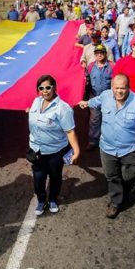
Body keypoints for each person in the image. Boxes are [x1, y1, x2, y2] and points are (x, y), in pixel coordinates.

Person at [79, 74, 135, 219]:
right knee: (112, 176)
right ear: (112, 88)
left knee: (128, 177)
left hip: (130, 149)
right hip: (107, 148)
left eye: (123, 88)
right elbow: (96, 101)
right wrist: (86, 103)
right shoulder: (106, 96)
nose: (119, 91)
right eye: (116, 88)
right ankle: (115, 202)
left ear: (128, 88)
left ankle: (123, 191)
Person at [28, 75, 81, 215]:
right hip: (36, 150)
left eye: (48, 87)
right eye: (41, 88)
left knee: (55, 177)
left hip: (55, 151)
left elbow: (70, 131)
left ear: (54, 88)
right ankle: (41, 201)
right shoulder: (36, 102)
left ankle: (52, 199)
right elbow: (34, 117)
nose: (44, 91)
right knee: (38, 178)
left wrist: (76, 150)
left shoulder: (63, 108)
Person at [85, 45, 114, 150]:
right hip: (94, 97)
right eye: (97, 53)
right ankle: (93, 141)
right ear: (94, 55)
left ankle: (108, 141)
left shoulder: (112, 66)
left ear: (106, 54)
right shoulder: (91, 66)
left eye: (101, 52)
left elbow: (115, 82)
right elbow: (86, 81)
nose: (99, 54)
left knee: (109, 119)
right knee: (94, 120)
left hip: (109, 99)